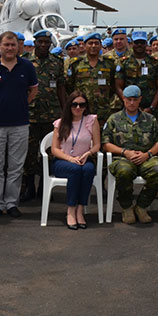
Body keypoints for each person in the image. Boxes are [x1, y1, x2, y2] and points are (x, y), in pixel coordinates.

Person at [0, 31, 38, 219]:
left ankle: (11, 203)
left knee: (15, 167)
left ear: (18, 47)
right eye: (6, 45)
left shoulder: (26, 67)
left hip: (19, 124)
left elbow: (33, 89)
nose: (10, 48)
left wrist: (20, 104)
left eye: (13, 45)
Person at [102, 85, 158, 224]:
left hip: (145, 157)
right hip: (122, 158)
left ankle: (141, 206)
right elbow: (106, 144)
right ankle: (127, 207)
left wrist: (148, 154)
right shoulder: (114, 119)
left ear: (140, 100)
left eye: (135, 99)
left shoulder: (150, 119)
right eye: (129, 99)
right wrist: (125, 152)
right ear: (123, 99)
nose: (131, 103)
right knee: (124, 171)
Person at [24, 29, 67, 203]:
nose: (43, 45)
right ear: (34, 43)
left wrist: (65, 113)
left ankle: (44, 186)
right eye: (40, 42)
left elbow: (61, 88)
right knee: (29, 153)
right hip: (29, 115)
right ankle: (28, 187)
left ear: (50, 44)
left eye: (46, 42)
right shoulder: (25, 61)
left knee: (49, 152)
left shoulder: (57, 63)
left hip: (51, 116)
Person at [50, 91, 100, 229]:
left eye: (82, 105)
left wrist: (88, 154)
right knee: (75, 169)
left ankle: (80, 208)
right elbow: (54, 149)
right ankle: (71, 210)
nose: (78, 108)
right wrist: (70, 159)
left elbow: (97, 145)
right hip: (63, 161)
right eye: (74, 104)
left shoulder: (91, 120)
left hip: (84, 159)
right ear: (69, 105)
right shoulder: (60, 123)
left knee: (89, 170)